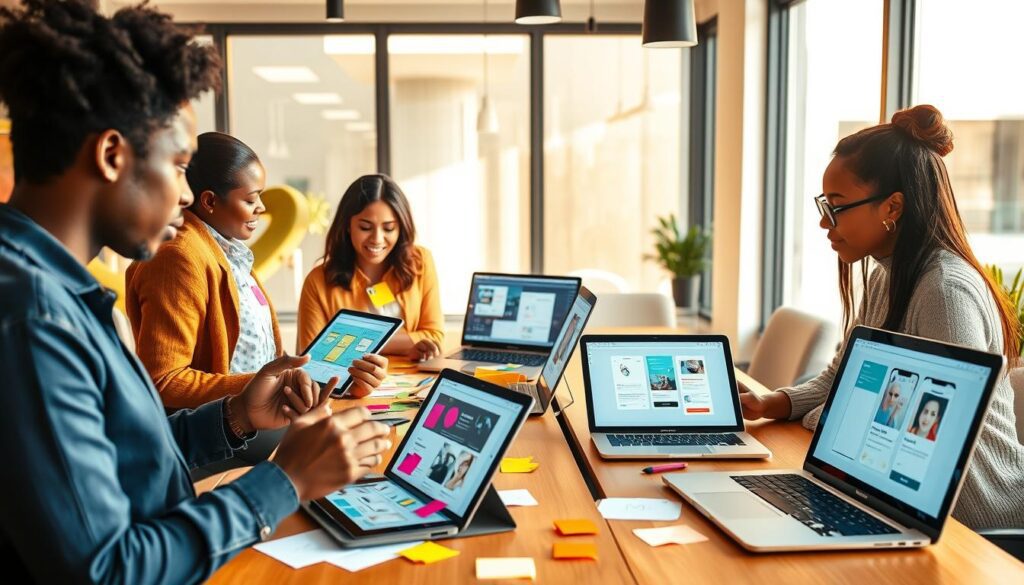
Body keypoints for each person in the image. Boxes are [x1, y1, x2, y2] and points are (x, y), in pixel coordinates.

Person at [0, 2, 390, 582]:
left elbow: (129, 460)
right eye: (180, 165)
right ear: (112, 155)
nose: (187, 195)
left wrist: (237, 415)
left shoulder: (58, 293)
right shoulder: (33, 317)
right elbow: (109, 571)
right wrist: (285, 482)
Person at [739, 104, 1024, 529]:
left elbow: (938, 430)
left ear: (892, 207)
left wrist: (823, 418)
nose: (824, 222)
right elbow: (841, 377)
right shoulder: (884, 275)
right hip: (899, 499)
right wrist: (771, 403)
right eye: (824, 205)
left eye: (836, 207)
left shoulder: (944, 291)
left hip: (974, 521)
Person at [126, 133, 388, 410]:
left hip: (262, 417)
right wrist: (270, 386)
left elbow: (264, 359)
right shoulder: (179, 257)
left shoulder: (228, 253)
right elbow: (164, 381)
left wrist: (338, 383)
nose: (261, 208)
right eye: (251, 200)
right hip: (225, 428)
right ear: (210, 202)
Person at [298, 174, 444, 361]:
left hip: (412, 378)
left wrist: (355, 343)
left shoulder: (420, 262)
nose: (377, 239)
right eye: (365, 227)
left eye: (389, 228)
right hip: (350, 380)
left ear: (401, 228)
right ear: (347, 225)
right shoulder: (317, 281)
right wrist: (407, 343)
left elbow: (434, 336)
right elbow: (312, 358)